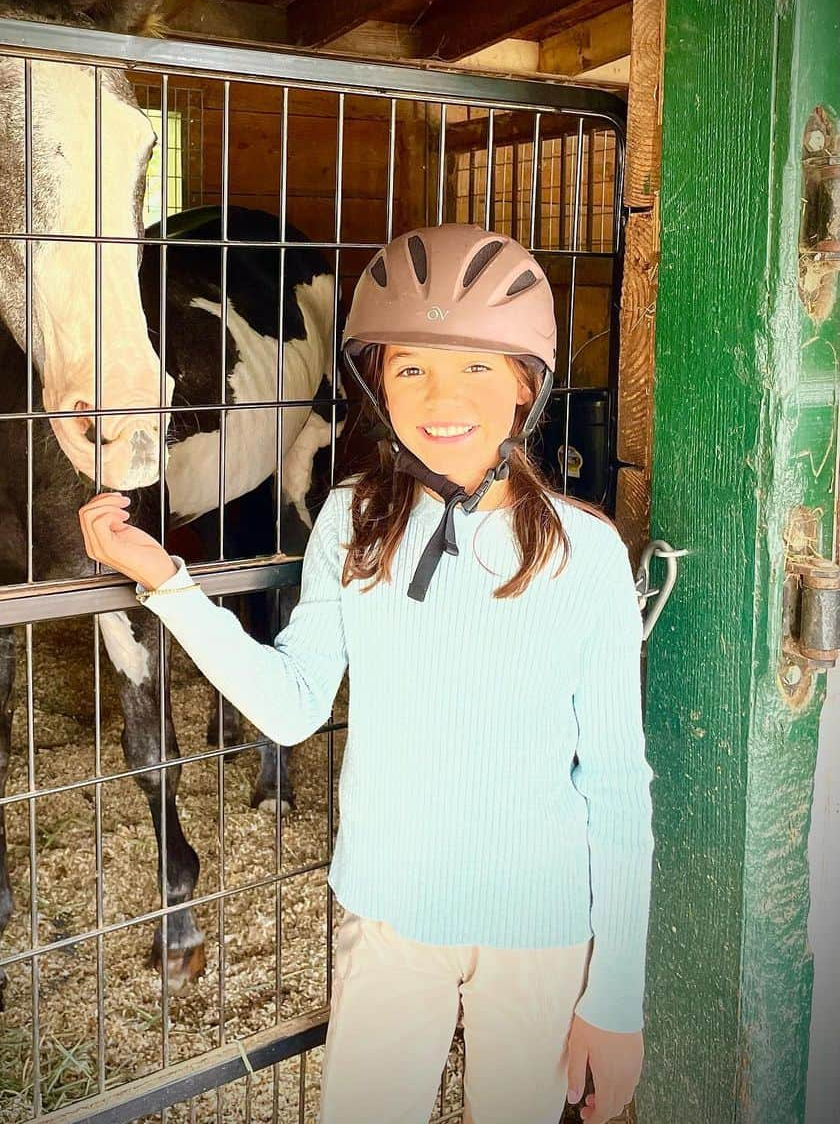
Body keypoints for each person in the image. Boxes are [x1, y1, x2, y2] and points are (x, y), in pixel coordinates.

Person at [79, 225, 655, 1124]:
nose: (441, 396)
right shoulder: (351, 521)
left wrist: (615, 999)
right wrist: (170, 584)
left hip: (541, 933)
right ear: (379, 381)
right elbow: (293, 705)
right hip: (386, 914)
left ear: (525, 384)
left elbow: (618, 786)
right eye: (413, 367)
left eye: (475, 367)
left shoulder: (587, 554)